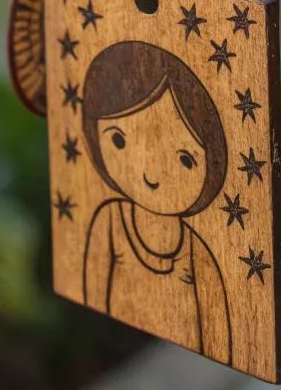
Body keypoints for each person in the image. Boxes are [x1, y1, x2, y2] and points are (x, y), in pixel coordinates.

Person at [81, 41, 231, 364]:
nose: (151, 173)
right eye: (119, 139)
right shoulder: (109, 222)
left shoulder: (197, 255)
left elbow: (221, 334)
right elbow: (92, 287)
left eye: (185, 160)